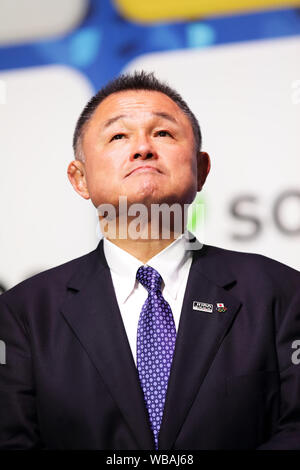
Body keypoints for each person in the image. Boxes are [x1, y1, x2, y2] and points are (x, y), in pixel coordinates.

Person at [0, 71, 300, 450]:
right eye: (118, 136)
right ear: (80, 178)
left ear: (201, 168)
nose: (143, 148)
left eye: (163, 133)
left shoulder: (279, 292)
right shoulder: (22, 315)